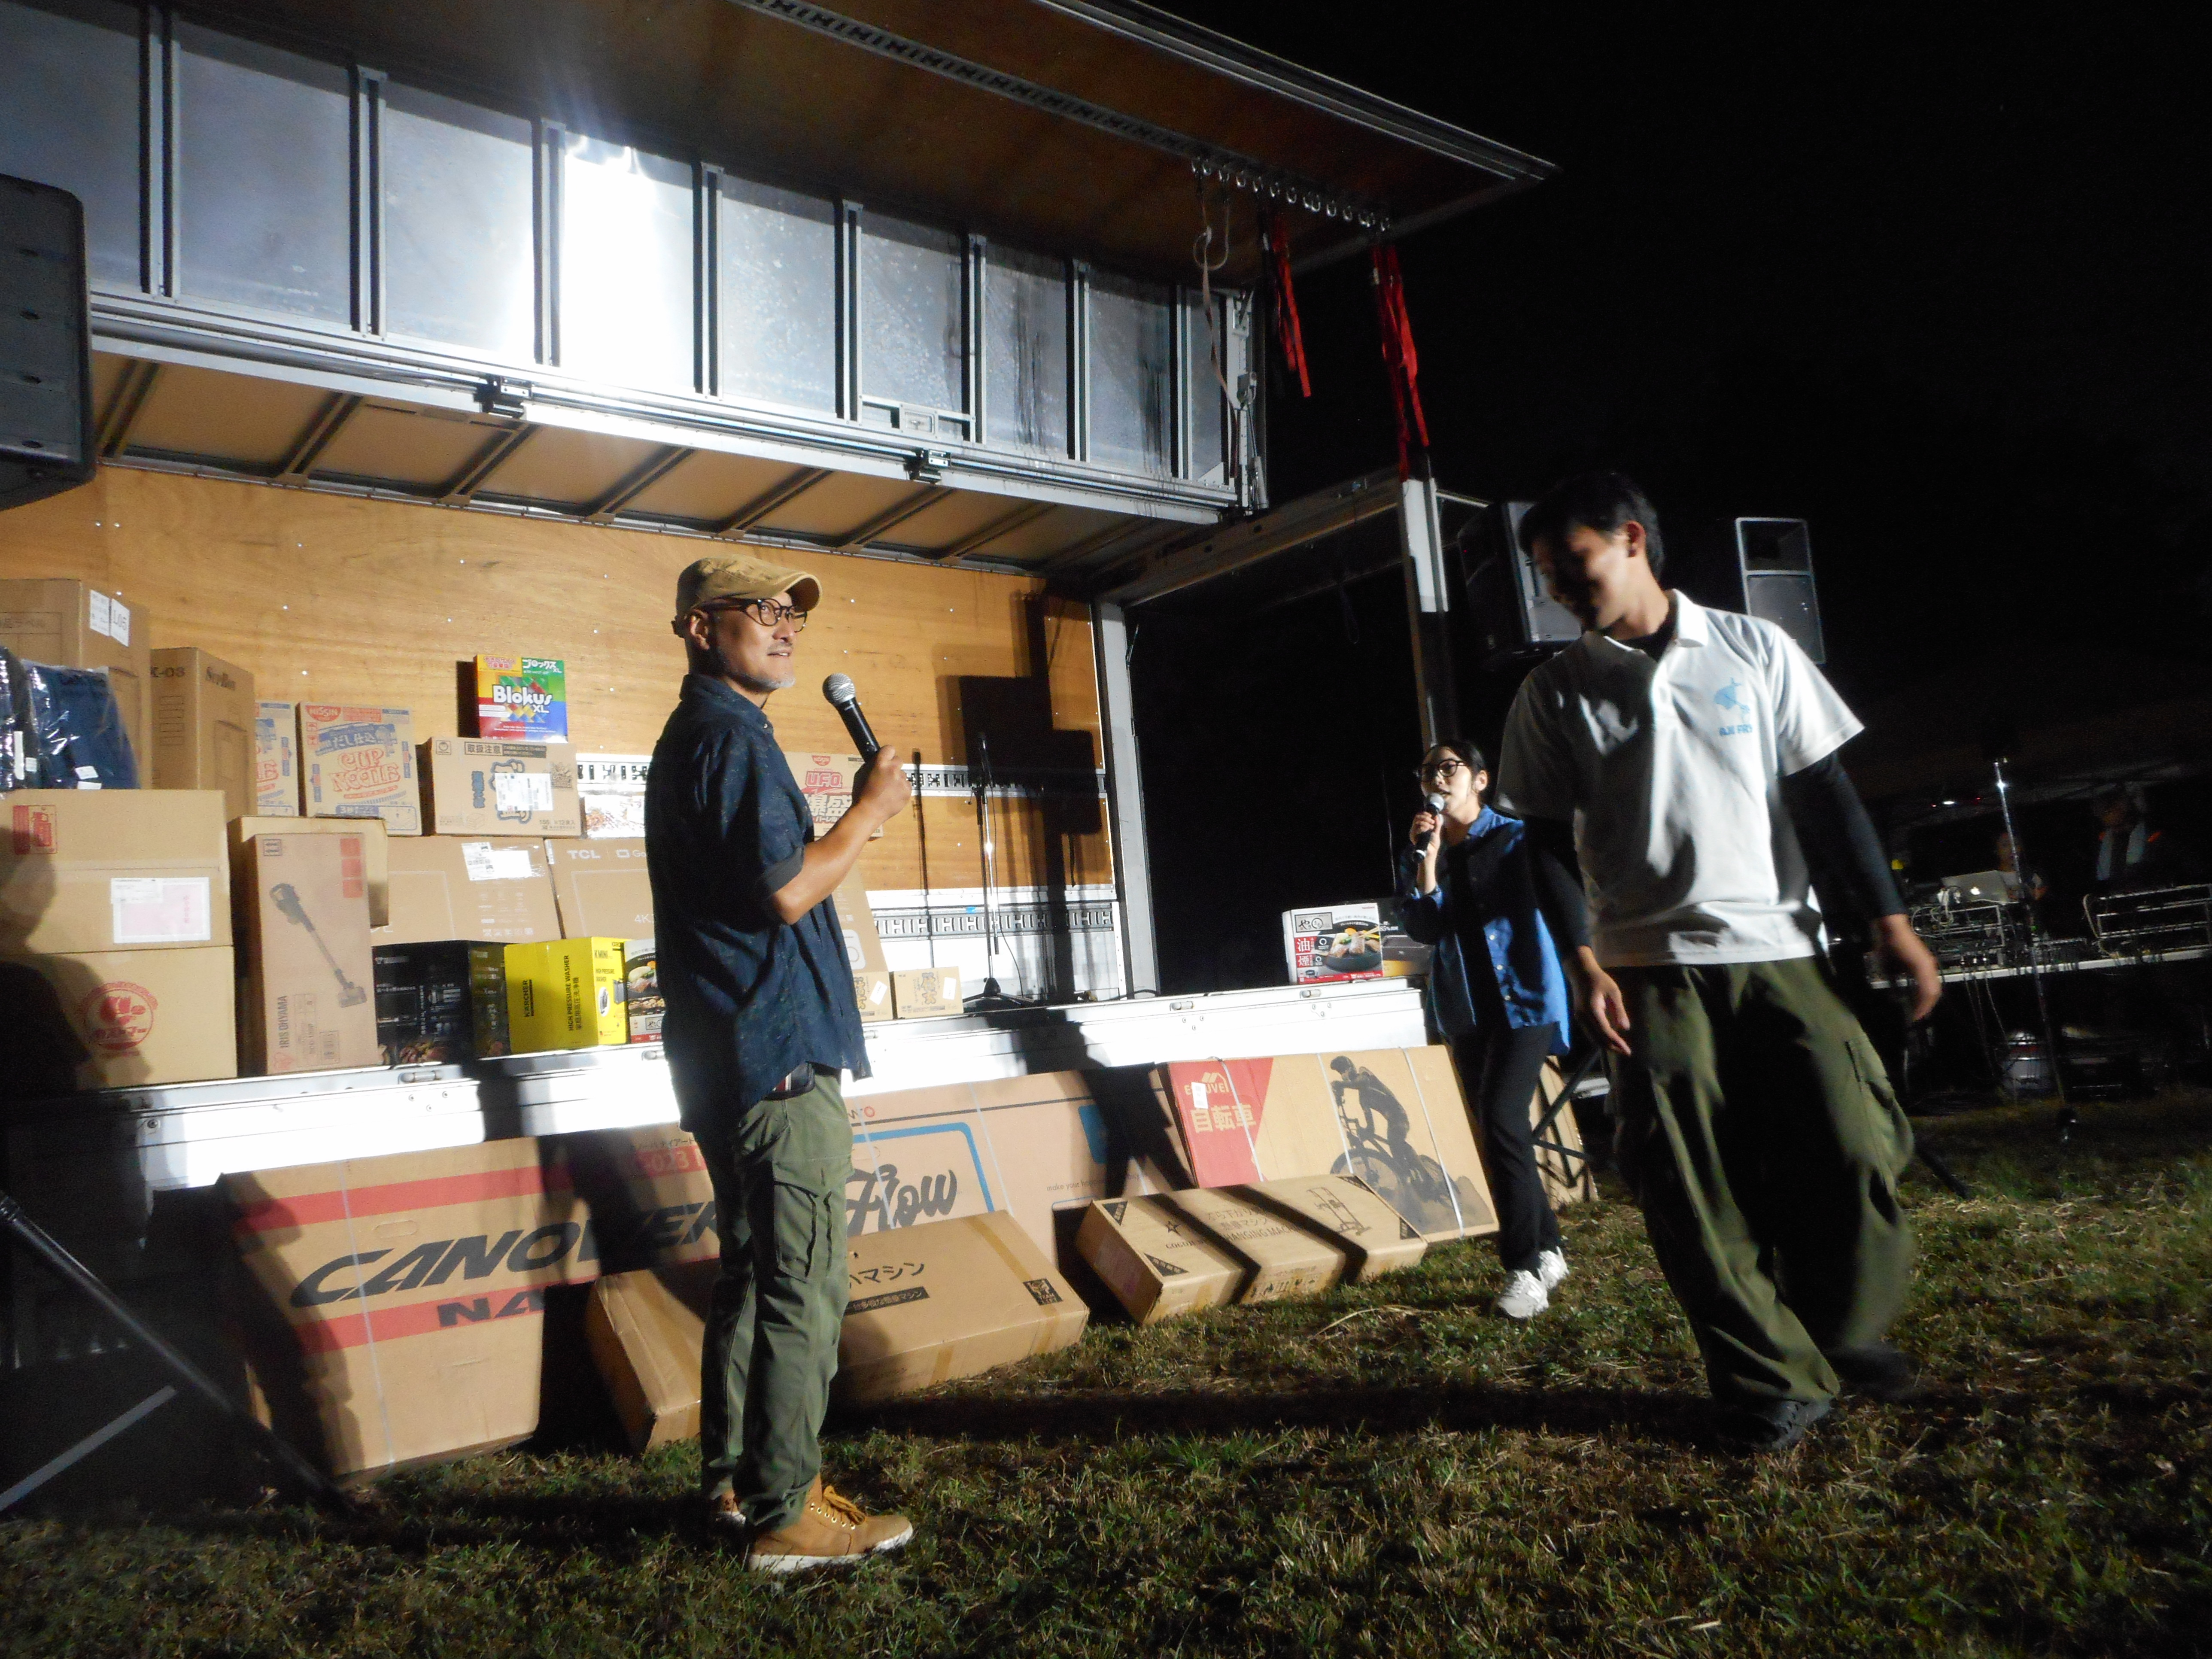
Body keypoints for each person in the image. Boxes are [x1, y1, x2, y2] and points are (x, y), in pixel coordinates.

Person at [1496, 471, 1943, 1452]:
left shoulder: (1752, 648)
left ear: (1630, 539)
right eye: (1545, 576)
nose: (1558, 589)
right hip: (1642, 963)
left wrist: (1890, 922)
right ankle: (1769, 1382)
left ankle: (1836, 1331)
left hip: (1778, 945)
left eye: (1570, 564)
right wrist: (1582, 961)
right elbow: (1539, 839)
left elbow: (1824, 793)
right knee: (1685, 1181)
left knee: (1852, 1142)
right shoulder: (1553, 690)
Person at [645, 553, 915, 1571]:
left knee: (755, 1275)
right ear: (698, 627)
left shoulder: (698, 735)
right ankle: (785, 1513)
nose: (783, 624)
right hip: (774, 1056)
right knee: (803, 1284)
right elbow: (788, 891)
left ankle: (735, 1483)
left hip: (728, 1053)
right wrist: (869, 812)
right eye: (757, 610)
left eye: (790, 612)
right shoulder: (732, 739)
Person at [1400, 738, 1583, 1320]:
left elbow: (1558, 902)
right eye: (1427, 771)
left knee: (1503, 1118)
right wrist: (1426, 861)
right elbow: (1425, 929)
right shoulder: (1426, 848)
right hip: (1468, 1008)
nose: (1436, 778)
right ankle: (1549, 1249)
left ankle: (1524, 1270)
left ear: (1480, 779)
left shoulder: (1516, 838)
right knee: (1501, 1129)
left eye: (1448, 767)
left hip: (1526, 999)